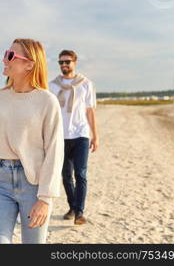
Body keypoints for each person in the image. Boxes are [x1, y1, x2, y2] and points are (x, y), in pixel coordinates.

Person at [0, 39, 64, 244]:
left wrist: (45, 199)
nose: (4, 59)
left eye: (11, 56)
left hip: (33, 185)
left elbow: (54, 151)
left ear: (29, 64)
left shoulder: (47, 101)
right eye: (6, 53)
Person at [48, 49, 99, 225]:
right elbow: (49, 113)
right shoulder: (53, 86)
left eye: (67, 62)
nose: (64, 65)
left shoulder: (86, 84)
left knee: (81, 173)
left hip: (81, 134)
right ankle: (72, 206)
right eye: (61, 62)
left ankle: (79, 212)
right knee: (66, 175)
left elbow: (90, 111)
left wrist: (95, 135)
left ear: (74, 62)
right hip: (60, 136)